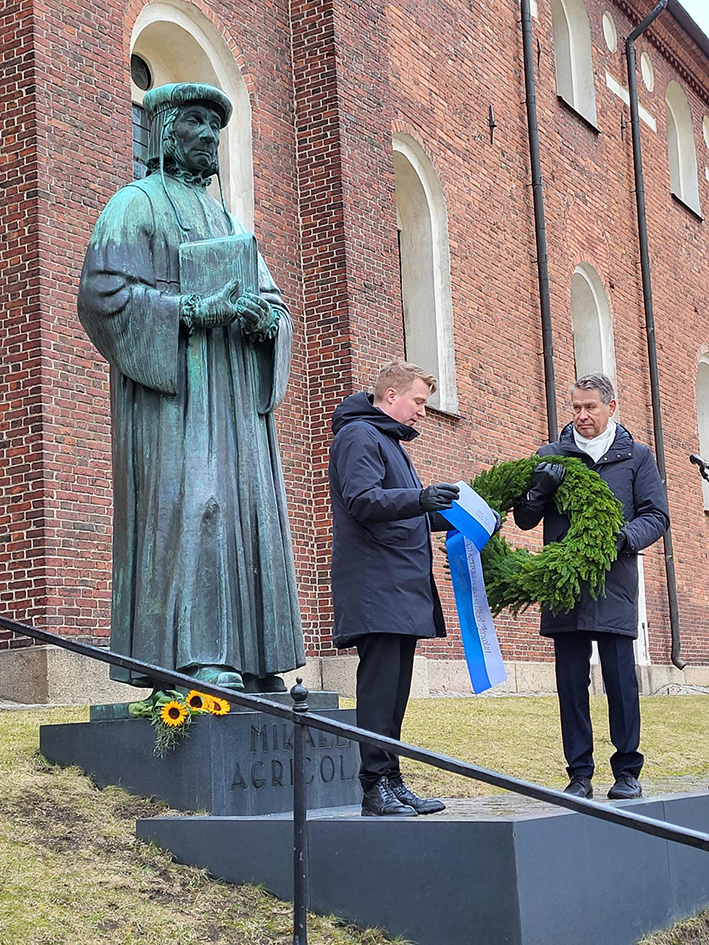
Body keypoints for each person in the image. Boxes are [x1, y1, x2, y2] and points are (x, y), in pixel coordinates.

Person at [77, 83, 304, 693]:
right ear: (165, 130)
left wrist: (264, 320)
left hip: (234, 401)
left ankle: (253, 658)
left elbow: (276, 301)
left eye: (216, 126)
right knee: (193, 509)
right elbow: (103, 296)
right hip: (174, 403)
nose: (211, 136)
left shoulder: (229, 218)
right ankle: (192, 657)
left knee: (247, 514)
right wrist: (190, 312)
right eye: (198, 122)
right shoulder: (135, 204)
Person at [514, 373, 669, 800]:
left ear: (611, 407)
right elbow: (526, 519)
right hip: (566, 591)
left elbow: (656, 516)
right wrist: (539, 489)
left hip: (614, 586)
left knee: (621, 683)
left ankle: (627, 772)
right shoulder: (551, 455)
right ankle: (579, 774)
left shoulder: (637, 457)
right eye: (576, 408)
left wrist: (623, 538)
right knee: (571, 685)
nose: (582, 416)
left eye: (590, 408)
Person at [329, 359, 457, 816]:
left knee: (395, 693)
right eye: (419, 401)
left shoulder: (386, 442)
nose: (423, 411)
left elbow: (406, 513)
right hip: (376, 585)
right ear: (391, 396)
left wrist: (461, 517)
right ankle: (373, 787)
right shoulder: (360, 436)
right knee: (380, 690)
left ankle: (392, 780)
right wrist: (421, 498)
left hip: (399, 588)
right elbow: (363, 501)